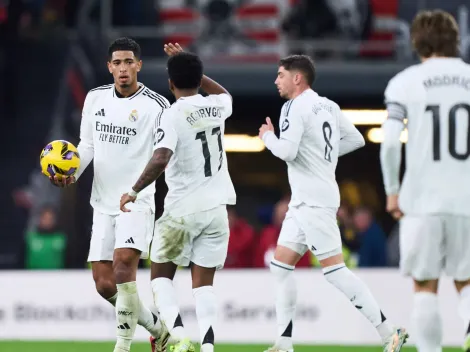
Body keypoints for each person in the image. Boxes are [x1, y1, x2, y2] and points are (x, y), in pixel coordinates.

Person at [258, 54, 408, 352]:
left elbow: (286, 152)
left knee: (336, 271)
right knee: (280, 266)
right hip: (305, 201)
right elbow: (355, 140)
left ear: (297, 78)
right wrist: (319, 154)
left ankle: (389, 331)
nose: (276, 81)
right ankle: (284, 343)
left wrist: (268, 137)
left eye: (280, 75)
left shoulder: (292, 106)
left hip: (313, 201)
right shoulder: (328, 105)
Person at [50, 37, 170, 352]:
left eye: (129, 62)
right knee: (105, 285)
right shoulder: (95, 99)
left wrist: (137, 190)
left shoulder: (156, 105)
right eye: (117, 63)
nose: (123, 68)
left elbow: (162, 154)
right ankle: (159, 329)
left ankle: (122, 346)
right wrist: (72, 173)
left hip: (136, 203)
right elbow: (86, 146)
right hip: (102, 203)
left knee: (122, 268)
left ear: (139, 65)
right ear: (109, 67)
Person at [120, 43, 236, 352]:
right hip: (217, 209)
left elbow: (160, 158)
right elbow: (225, 94)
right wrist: (194, 71)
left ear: (170, 84)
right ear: (199, 80)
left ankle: (180, 338)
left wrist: (133, 190)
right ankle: (209, 346)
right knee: (204, 285)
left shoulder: (171, 115)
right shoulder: (217, 107)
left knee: (159, 277)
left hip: (182, 209)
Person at [380, 10, 470, 352]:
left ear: (416, 41)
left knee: (425, 285)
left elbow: (390, 142)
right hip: (466, 197)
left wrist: (392, 192)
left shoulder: (405, 82)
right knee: (466, 280)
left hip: (422, 199)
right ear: (455, 40)